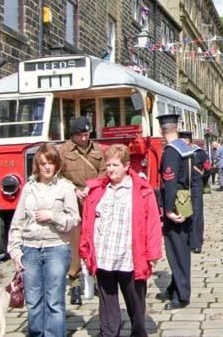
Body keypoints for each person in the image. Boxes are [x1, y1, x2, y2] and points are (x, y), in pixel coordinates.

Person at [79, 144, 162, 337]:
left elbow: (152, 224)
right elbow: (88, 222)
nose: (111, 169)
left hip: (130, 256)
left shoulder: (141, 190)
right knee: (107, 303)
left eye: (115, 165)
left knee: (135, 301)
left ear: (126, 166)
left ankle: (138, 332)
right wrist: (85, 249)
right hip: (104, 254)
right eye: (108, 165)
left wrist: (153, 253)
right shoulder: (98, 190)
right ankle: (109, 333)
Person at [7, 143, 80, 337]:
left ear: (57, 165)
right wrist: (15, 250)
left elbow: (74, 219)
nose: (47, 167)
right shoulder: (28, 189)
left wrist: (53, 216)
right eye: (43, 163)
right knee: (33, 301)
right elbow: (18, 221)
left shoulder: (65, 187)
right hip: (30, 249)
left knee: (54, 300)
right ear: (37, 166)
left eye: (51, 163)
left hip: (56, 247)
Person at [59, 116, 106, 305]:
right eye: (80, 135)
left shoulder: (97, 150)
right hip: (72, 202)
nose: (84, 139)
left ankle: (94, 279)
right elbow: (58, 175)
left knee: (95, 240)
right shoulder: (63, 151)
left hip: (94, 200)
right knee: (75, 243)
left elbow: (104, 171)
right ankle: (75, 284)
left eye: (87, 134)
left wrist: (93, 186)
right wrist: (74, 190)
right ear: (73, 135)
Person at [155, 114, 194, 310]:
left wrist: (168, 210)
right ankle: (174, 287)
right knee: (182, 248)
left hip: (176, 206)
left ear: (162, 130)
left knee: (176, 251)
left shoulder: (171, 152)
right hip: (186, 202)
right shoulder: (185, 148)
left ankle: (181, 294)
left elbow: (169, 183)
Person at [179, 131, 206, 254]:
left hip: (196, 185)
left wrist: (201, 181)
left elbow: (208, 169)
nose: (183, 142)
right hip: (183, 186)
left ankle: (196, 242)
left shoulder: (199, 153)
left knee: (197, 212)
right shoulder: (178, 153)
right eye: (182, 139)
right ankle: (186, 239)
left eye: (185, 139)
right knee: (183, 212)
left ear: (189, 141)